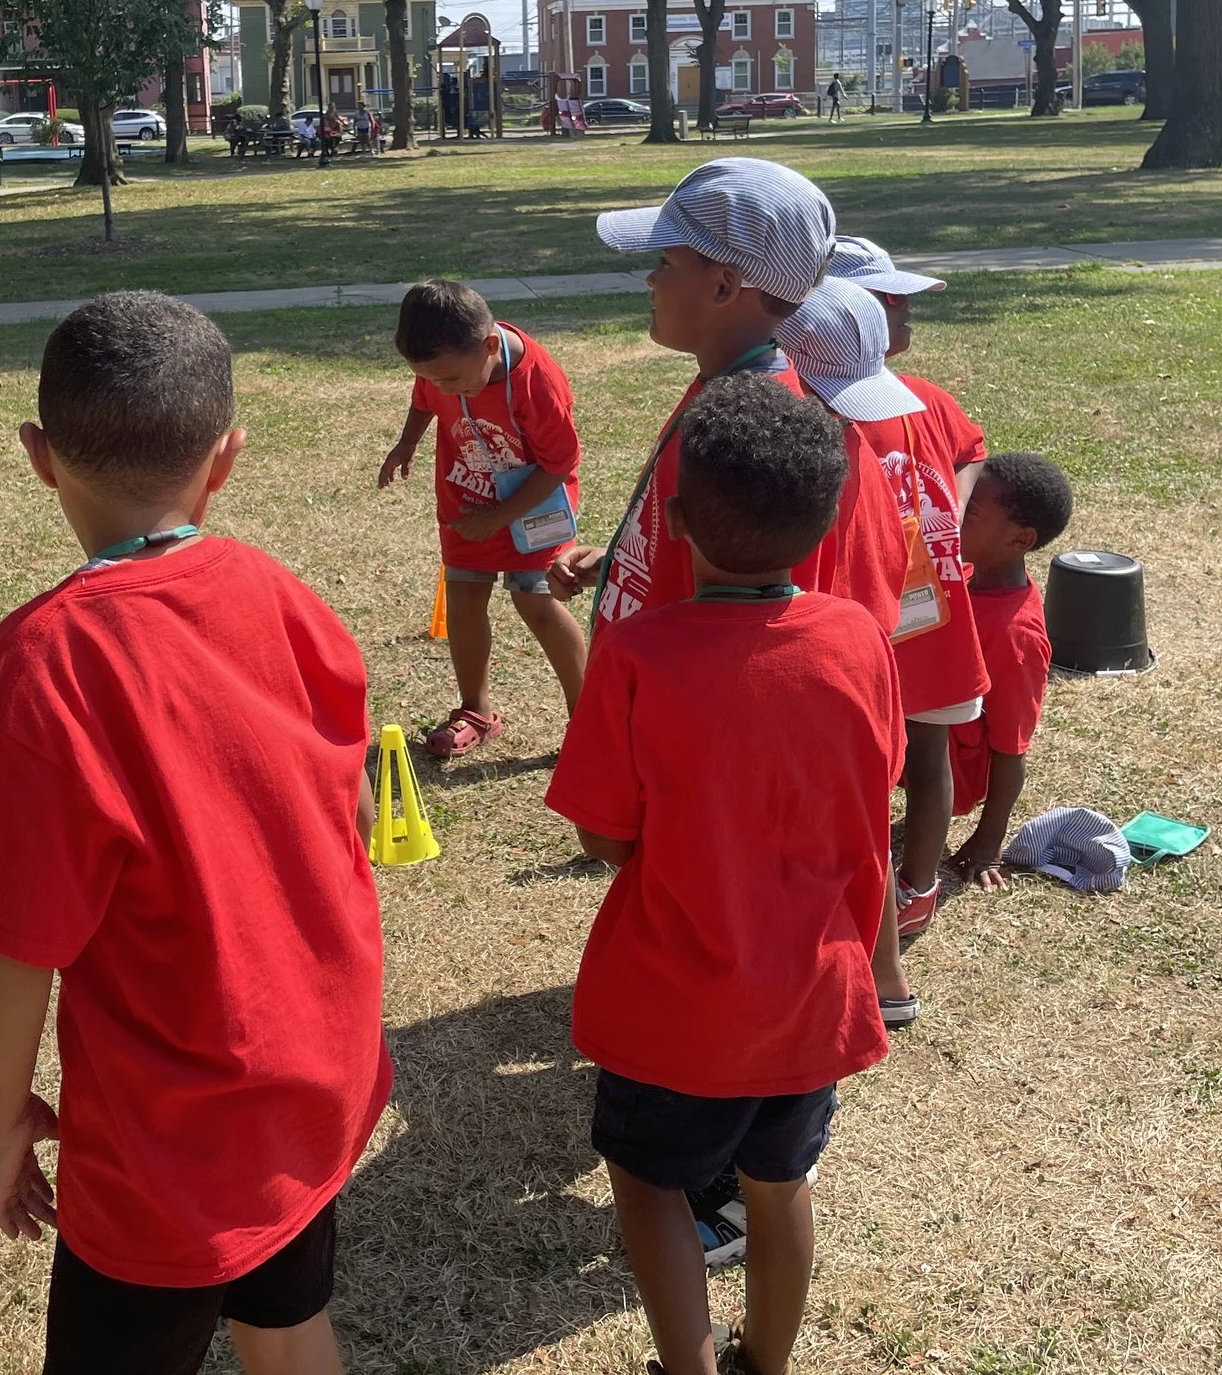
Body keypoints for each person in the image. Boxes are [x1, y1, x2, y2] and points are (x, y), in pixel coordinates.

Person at [0, 292, 389, 1375]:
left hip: (167, 1136)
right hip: (315, 1080)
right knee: (286, 1326)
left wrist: (6, 1119)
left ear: (38, 457)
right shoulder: (287, 598)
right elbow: (363, 812)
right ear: (227, 456)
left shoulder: (49, 660)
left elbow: (18, 937)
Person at [547, 374, 903, 1375]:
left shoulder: (638, 654)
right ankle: (767, 1362)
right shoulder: (859, 640)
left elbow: (604, 838)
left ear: (673, 521)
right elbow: (868, 796)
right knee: (780, 1182)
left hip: (674, 1004)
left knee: (648, 1184)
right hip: (812, 999)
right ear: (827, 516)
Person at [545, 159, 843, 633]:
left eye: (665, 261)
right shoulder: (725, 390)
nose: (650, 278)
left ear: (724, 285)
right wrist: (623, 562)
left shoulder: (753, 438)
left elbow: (753, 619)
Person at [824, 236, 989, 1003]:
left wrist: (951, 505)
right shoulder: (820, 402)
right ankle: (858, 899)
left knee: (930, 760)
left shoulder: (924, 393)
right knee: (860, 773)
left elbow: (972, 450)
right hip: (864, 624)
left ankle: (916, 886)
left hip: (934, 619)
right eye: (889, 301)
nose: (905, 312)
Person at [379, 280, 589, 758]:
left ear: (491, 345)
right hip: (466, 495)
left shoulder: (536, 383)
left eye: (451, 380)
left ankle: (588, 716)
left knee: (535, 601)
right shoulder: (444, 363)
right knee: (465, 597)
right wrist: (409, 441)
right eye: (432, 378)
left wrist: (500, 517)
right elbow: (423, 397)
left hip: (533, 504)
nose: (442, 389)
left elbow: (559, 464)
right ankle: (475, 710)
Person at [946, 453, 1072, 886]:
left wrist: (988, 841)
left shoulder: (1015, 636)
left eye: (971, 511)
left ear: (1020, 540)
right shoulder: (964, 570)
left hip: (947, 765)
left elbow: (1011, 747)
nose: (954, 512)